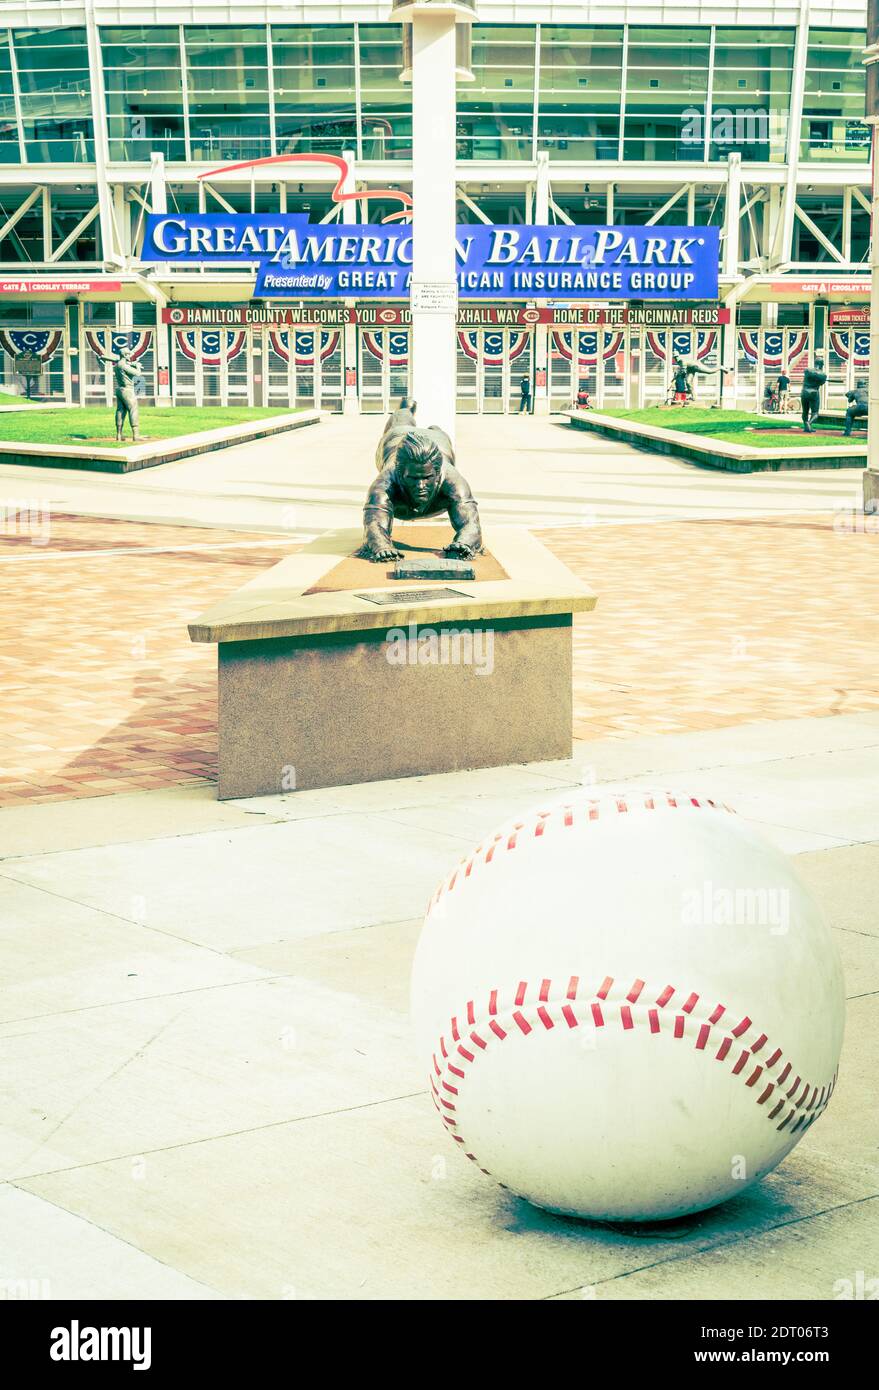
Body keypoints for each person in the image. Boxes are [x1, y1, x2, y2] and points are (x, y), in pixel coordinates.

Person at [96, 342, 142, 442]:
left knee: (120, 411)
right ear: (125, 355)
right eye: (129, 354)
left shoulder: (118, 365)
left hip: (120, 390)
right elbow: (138, 374)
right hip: (128, 390)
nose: (130, 356)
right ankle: (136, 435)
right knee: (133, 410)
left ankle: (119, 435)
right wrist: (137, 366)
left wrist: (131, 364)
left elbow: (123, 365)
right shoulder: (124, 366)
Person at [800, 358, 827, 433]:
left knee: (805, 411)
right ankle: (809, 423)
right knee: (815, 413)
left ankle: (806, 426)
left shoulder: (807, 370)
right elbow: (821, 383)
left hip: (804, 391)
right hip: (814, 392)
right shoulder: (823, 375)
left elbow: (807, 375)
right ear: (821, 364)